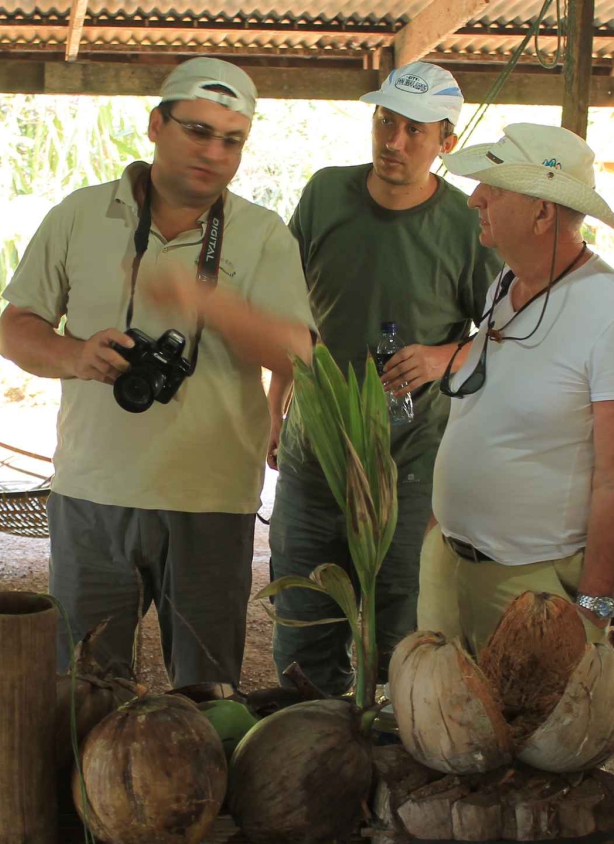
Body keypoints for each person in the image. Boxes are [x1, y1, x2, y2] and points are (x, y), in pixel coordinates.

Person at [427, 124, 614, 844]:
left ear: (543, 209)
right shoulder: (510, 286)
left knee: (562, 757)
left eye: (492, 190)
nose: (476, 201)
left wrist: (594, 607)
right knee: (465, 744)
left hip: (542, 577)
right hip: (462, 560)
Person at [0, 58, 315, 691]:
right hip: (93, 493)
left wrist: (206, 302)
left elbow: (300, 357)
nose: (214, 153)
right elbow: (15, 330)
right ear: (155, 125)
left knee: (208, 695)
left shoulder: (261, 234)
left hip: (212, 498)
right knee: (83, 690)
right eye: (197, 131)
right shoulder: (80, 214)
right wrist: (77, 355)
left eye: (232, 140)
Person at [268, 61, 499, 702]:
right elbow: (290, 314)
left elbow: (504, 334)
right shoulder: (325, 193)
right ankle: (309, 741)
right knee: (304, 610)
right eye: (385, 121)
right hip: (315, 448)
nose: (393, 141)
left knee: (403, 620)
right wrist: (274, 410)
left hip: (411, 459)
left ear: (447, 140)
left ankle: (394, 744)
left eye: (414, 130)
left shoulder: (466, 224)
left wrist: (442, 357)